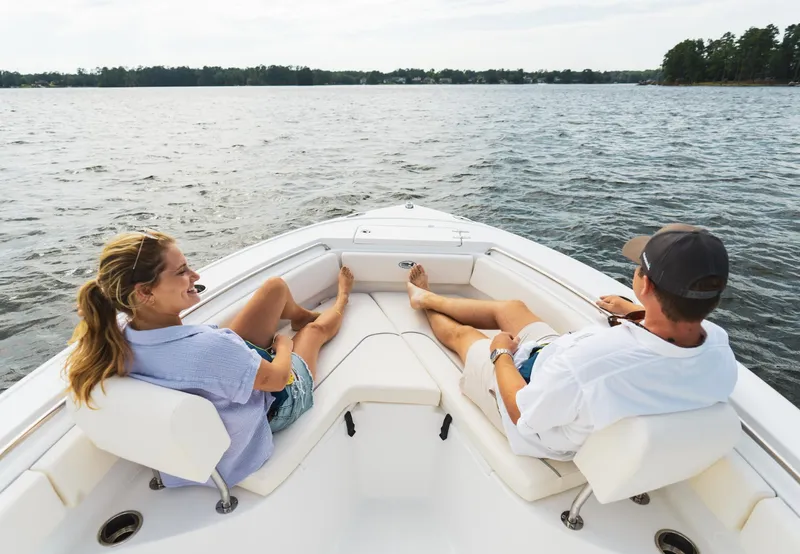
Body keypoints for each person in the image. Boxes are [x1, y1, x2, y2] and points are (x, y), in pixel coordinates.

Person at [407, 224, 738, 461]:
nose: (635, 269)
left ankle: (423, 303)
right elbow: (669, 334)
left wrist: (501, 355)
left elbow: (523, 411)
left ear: (647, 285)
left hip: (534, 417)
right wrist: (635, 309)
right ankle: (429, 297)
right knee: (512, 309)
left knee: (468, 337)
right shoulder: (717, 346)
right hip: (557, 363)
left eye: (638, 266)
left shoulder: (594, 364)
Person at [67, 230, 354, 487]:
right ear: (144, 292)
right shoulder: (210, 348)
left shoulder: (118, 338)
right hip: (274, 404)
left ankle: (301, 315)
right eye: (181, 272)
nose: (195, 276)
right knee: (313, 333)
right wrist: (283, 346)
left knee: (274, 288)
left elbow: (210, 356)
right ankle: (342, 300)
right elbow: (278, 380)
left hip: (222, 376)